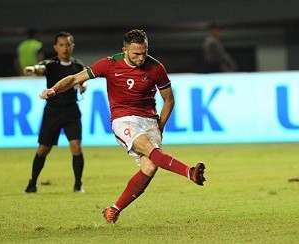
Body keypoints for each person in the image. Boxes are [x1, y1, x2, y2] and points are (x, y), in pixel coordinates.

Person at [39, 29, 206, 224]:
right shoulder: (109, 64)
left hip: (150, 120)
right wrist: (54, 89)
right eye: (136, 54)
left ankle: (114, 209)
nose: (141, 57)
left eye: (144, 52)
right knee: (147, 147)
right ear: (125, 50)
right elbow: (75, 78)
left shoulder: (156, 67)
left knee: (150, 167)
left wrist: (160, 126)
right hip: (123, 119)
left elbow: (168, 100)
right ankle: (189, 172)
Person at [24, 31, 87, 193]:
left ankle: (78, 184)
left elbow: (82, 81)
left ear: (72, 46)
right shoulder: (51, 65)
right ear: (55, 47)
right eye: (61, 45)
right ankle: (32, 183)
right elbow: (40, 68)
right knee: (44, 148)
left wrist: (83, 87)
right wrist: (32, 69)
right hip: (53, 111)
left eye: (68, 44)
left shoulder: (78, 66)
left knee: (76, 147)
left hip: (71, 111)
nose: (64, 48)